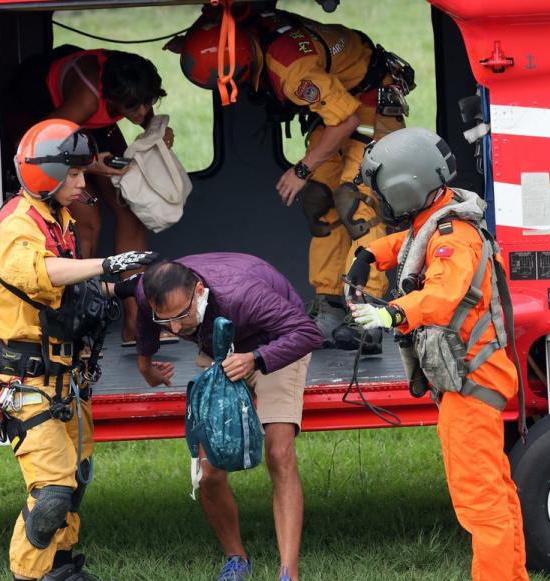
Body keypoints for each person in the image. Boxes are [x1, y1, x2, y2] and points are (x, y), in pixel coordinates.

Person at [345, 127, 532, 581]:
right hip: (478, 376)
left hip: (470, 382)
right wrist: (370, 255)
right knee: (496, 486)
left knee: (478, 496)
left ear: (405, 187)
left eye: (384, 191)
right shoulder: (442, 218)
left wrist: (391, 313)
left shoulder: (454, 239)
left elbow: (442, 297)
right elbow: (411, 242)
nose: (382, 200)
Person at [0, 118, 158, 581]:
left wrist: (125, 286)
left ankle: (62, 570)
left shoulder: (54, 218)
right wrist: (107, 264)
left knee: (75, 481)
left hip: (67, 380)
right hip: (28, 384)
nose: (85, 182)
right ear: (50, 174)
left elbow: (69, 293)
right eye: (78, 173)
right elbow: (44, 274)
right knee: (52, 492)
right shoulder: (19, 225)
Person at [177, 7, 414, 348]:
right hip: (340, 103)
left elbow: (346, 121)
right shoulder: (243, 26)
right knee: (320, 200)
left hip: (370, 105)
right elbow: (218, 20)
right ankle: (331, 305)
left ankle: (368, 314)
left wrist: (302, 169)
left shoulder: (292, 72)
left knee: (356, 201)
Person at [132, 254, 323, 581]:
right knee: (209, 468)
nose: (173, 329)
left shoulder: (244, 296)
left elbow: (308, 333)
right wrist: (146, 366)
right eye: (165, 320)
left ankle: (289, 579)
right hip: (221, 347)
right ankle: (237, 558)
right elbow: (145, 319)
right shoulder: (149, 291)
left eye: (180, 316)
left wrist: (256, 358)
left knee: (279, 453)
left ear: (200, 291)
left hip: (275, 344)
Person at [8, 46, 173, 344]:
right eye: (134, 107)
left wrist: (154, 130)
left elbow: (140, 107)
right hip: (44, 129)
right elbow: (47, 145)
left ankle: (135, 322)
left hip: (92, 125)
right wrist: (92, 165)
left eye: (148, 102)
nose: (142, 112)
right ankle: (73, 327)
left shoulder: (128, 78)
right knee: (88, 222)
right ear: (111, 99)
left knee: (130, 208)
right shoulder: (86, 98)